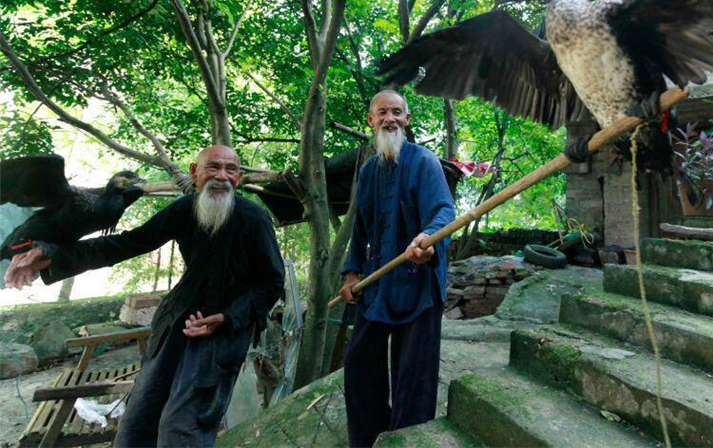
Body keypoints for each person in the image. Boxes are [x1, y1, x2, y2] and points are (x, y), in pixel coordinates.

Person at [5, 145, 285, 447]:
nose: (222, 176)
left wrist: (229, 318)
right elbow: (128, 243)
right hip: (174, 325)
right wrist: (51, 255)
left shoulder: (254, 218)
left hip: (222, 333)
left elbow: (272, 282)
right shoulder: (184, 210)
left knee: (182, 428)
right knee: (137, 425)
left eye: (231, 170)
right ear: (195, 172)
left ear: (240, 178)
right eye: (213, 167)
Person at [339, 90, 456, 447]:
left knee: (414, 377)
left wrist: (429, 238)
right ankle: (369, 439)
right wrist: (352, 272)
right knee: (359, 366)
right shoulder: (369, 170)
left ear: (407, 120)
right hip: (377, 286)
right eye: (382, 112)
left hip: (418, 283)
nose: (390, 118)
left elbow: (443, 212)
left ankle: (407, 441)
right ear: (371, 121)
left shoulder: (425, 162)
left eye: (397, 112)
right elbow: (359, 225)